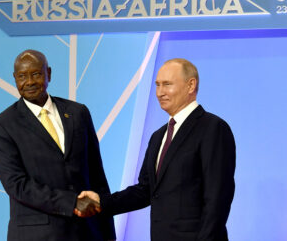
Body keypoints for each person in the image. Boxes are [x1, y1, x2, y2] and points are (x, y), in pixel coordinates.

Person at [77, 58, 236, 241]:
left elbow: (218, 197)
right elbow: (145, 191)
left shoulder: (213, 128)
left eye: (167, 84)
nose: (160, 92)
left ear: (191, 85)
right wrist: (101, 202)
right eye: (157, 85)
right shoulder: (158, 136)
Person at [0, 49, 115, 241]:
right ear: (14, 78)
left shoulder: (78, 113)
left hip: (88, 232)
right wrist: (71, 202)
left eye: (36, 74)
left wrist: (107, 232)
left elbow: (97, 174)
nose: (29, 82)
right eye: (22, 76)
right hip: (37, 234)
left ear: (49, 73)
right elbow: (17, 185)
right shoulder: (2, 126)